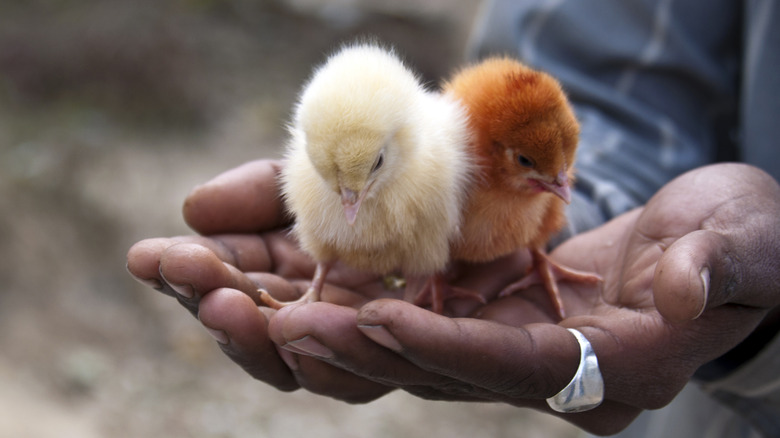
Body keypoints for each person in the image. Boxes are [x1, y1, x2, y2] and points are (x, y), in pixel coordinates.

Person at [127, 0, 780, 436]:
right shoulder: (440, 156)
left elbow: (547, 157)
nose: (350, 201)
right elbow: (606, 90)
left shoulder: (448, 163)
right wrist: (605, 214)